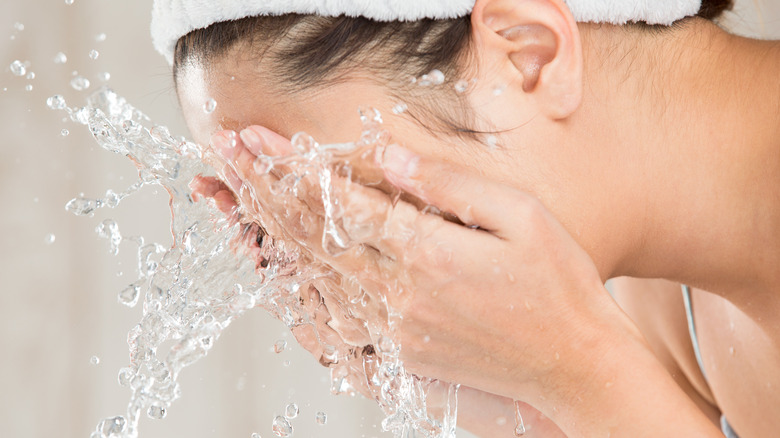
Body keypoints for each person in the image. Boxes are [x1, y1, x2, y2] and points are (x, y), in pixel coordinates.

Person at [155, 0, 780, 436]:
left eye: (351, 203)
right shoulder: (654, 302)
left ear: (529, 55)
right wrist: (537, 410)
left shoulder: (611, 334)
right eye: (288, 223)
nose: (353, 267)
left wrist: (583, 370)